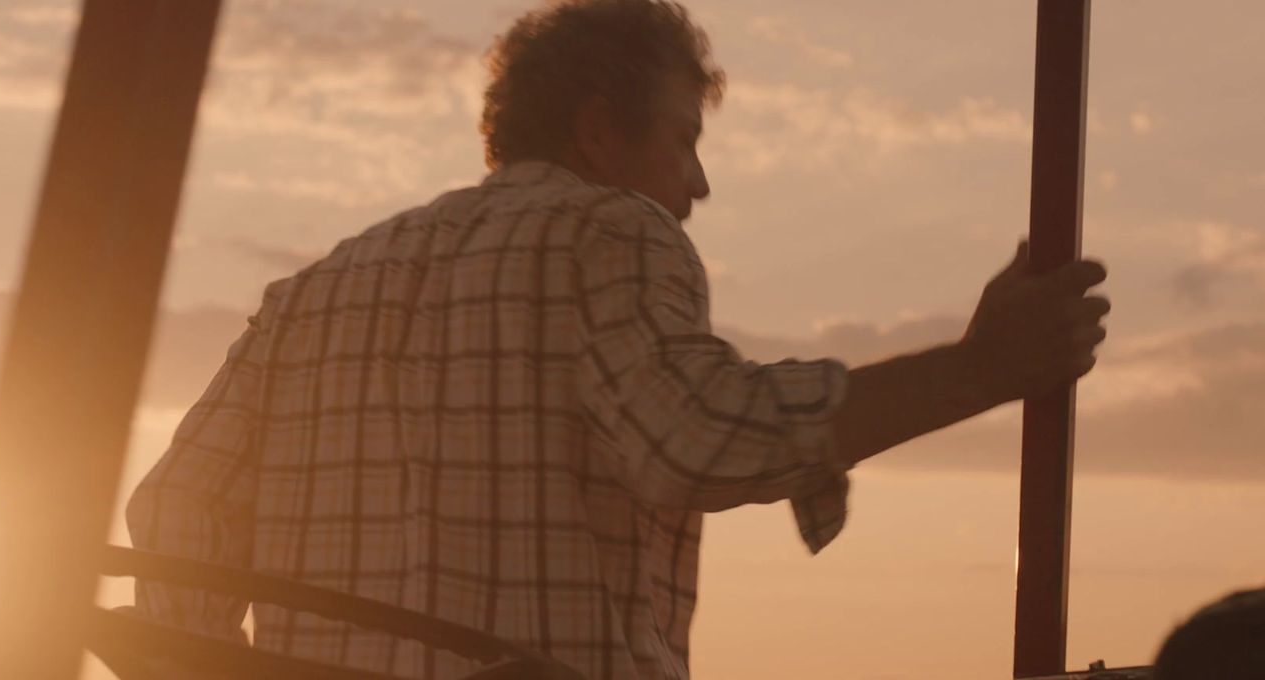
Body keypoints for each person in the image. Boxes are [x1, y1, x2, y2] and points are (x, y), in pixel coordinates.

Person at [124, 0, 1110, 678]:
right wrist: (982, 368)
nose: (697, 184)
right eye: (683, 139)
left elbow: (177, 511)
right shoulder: (612, 229)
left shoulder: (308, 293)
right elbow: (692, 438)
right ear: (598, 133)